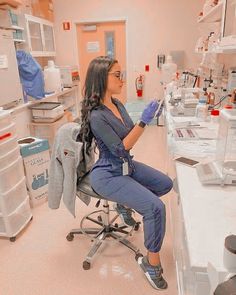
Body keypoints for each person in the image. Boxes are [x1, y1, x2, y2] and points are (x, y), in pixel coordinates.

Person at [79, 56, 173, 290]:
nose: (122, 79)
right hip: (108, 173)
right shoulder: (97, 115)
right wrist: (144, 121)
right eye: (117, 75)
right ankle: (152, 265)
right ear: (102, 78)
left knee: (165, 184)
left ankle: (124, 204)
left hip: (126, 166)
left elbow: (130, 133)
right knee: (155, 208)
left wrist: (146, 116)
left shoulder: (117, 103)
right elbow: (122, 146)